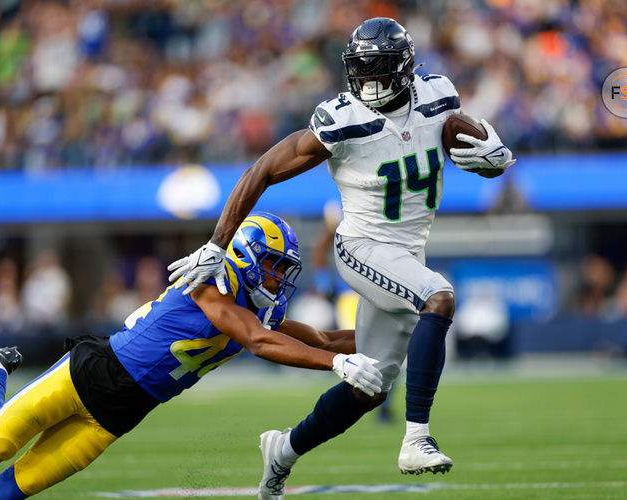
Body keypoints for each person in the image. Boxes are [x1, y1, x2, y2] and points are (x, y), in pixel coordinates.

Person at [166, 17, 516, 496]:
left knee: (369, 387)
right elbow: (262, 169)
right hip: (361, 246)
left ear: (405, 68)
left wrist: (492, 157)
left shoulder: (437, 96)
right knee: (439, 296)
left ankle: (283, 450)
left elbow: (462, 146)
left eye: (379, 69)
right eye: (362, 69)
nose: (369, 80)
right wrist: (216, 244)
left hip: (407, 250)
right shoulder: (344, 118)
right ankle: (417, 438)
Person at [0, 212, 381, 500]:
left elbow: (324, 339)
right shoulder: (209, 279)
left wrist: (392, 336)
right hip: (91, 374)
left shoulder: (257, 309)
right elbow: (257, 340)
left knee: (6, 492)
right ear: (248, 253)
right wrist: (336, 366)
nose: (277, 277)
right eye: (273, 264)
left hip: (118, 417)